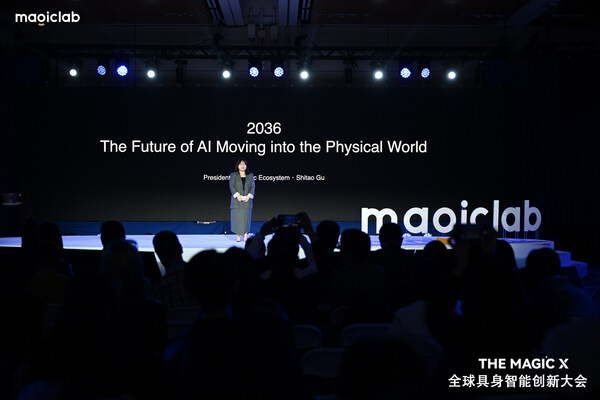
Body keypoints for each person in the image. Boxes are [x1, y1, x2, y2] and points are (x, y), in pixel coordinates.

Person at [229, 158, 255, 242]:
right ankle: (238, 236)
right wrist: (237, 195)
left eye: (244, 164)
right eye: (241, 164)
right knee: (237, 219)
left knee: (246, 219)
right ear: (238, 165)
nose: (242, 166)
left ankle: (245, 236)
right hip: (237, 201)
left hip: (247, 200)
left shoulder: (250, 175)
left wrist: (249, 196)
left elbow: (252, 186)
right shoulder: (233, 175)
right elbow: (232, 185)